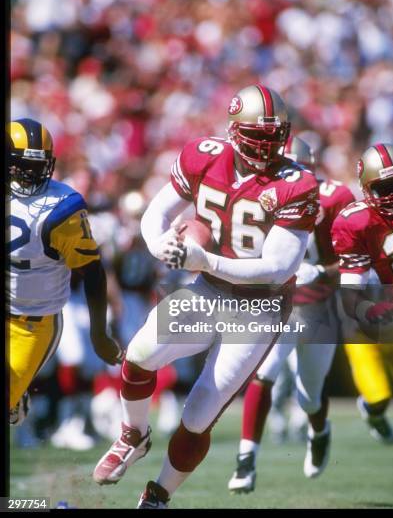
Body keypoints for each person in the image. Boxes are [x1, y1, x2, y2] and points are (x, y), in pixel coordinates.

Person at [92, 84, 319, 509]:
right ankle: (132, 436)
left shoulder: (298, 182)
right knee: (140, 352)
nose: (268, 145)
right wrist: (158, 243)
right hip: (209, 292)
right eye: (258, 135)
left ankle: (157, 495)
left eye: (275, 135)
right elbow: (156, 214)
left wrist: (204, 260)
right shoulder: (202, 154)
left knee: (197, 416)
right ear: (234, 131)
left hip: (260, 309)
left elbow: (278, 267)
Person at [228, 136, 355, 494]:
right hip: (279, 303)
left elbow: (352, 259)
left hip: (318, 306)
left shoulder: (335, 198)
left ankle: (320, 430)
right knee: (264, 373)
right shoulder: (260, 197)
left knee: (308, 397)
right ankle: (246, 461)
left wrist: (320, 272)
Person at [7, 118, 123, 426]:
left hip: (34, 324)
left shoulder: (61, 207)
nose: (33, 174)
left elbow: (93, 271)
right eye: (23, 165)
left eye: (39, 165)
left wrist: (99, 333)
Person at [331, 143, 393, 444]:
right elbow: (351, 293)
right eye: (384, 188)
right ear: (366, 189)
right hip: (372, 319)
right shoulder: (356, 222)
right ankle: (373, 410)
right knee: (379, 396)